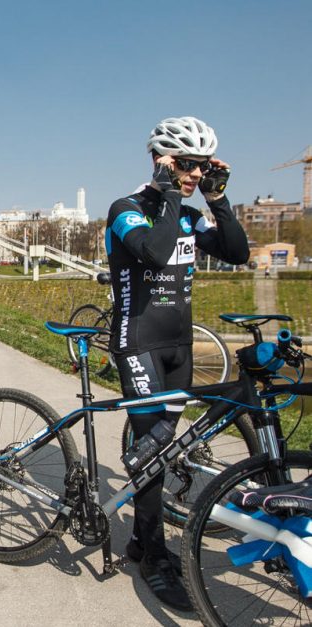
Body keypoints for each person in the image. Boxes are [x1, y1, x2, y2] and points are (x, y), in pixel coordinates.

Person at [105, 117, 249, 611]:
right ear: (161, 159)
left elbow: (237, 251)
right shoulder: (127, 209)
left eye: (202, 166)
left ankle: (143, 541)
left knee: (162, 447)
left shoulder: (188, 214)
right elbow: (153, 251)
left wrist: (218, 199)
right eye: (186, 165)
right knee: (152, 449)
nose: (194, 174)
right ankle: (152, 556)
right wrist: (167, 194)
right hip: (138, 342)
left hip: (179, 347)